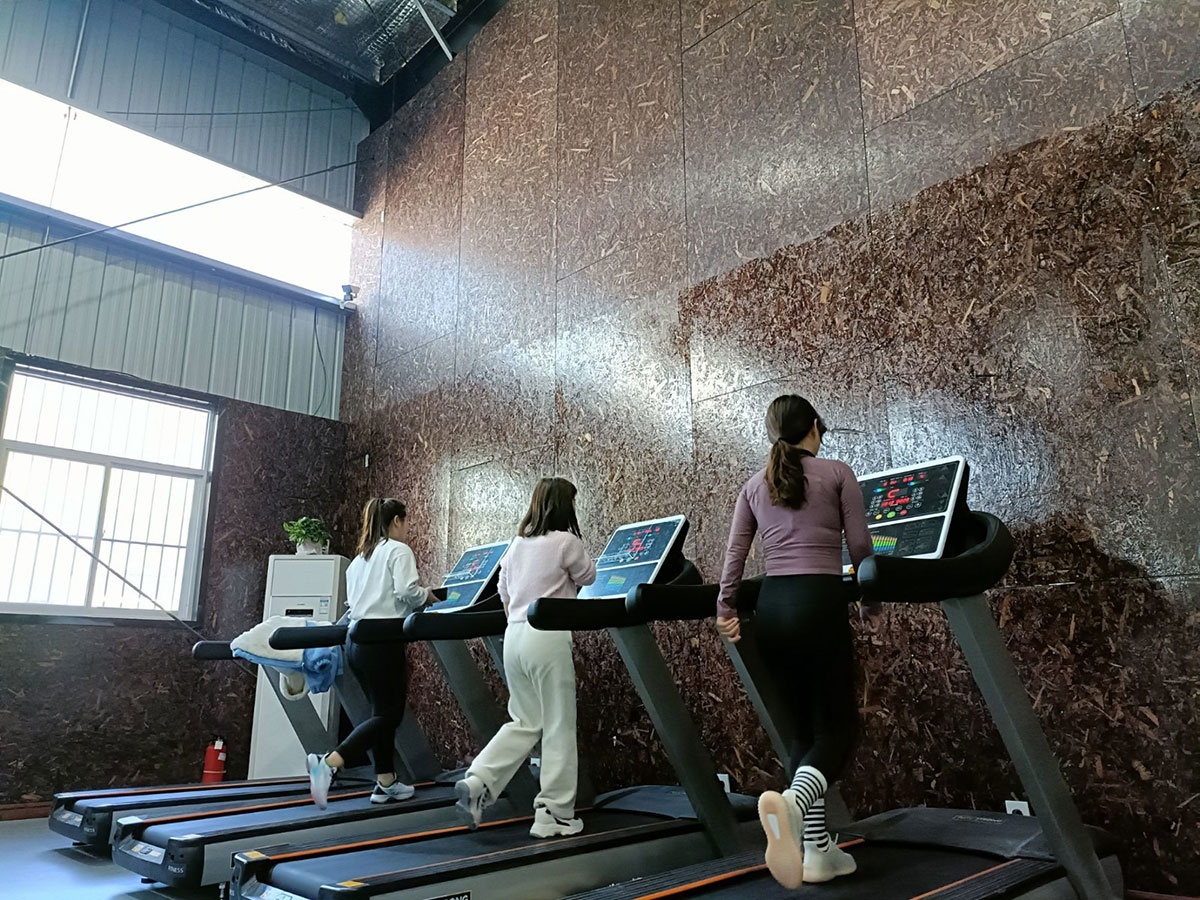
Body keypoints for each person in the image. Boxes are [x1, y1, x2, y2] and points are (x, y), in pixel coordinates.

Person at [715, 395, 878, 888]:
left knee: (801, 736)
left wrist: (725, 609)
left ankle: (817, 851)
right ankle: (792, 805)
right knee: (838, 731)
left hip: (772, 609)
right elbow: (861, 547)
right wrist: (869, 600)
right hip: (818, 603)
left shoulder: (753, 486)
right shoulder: (837, 473)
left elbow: (735, 552)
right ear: (814, 428)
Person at [455, 477, 596, 838]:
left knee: (525, 721)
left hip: (515, 636)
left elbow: (503, 592)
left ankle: (479, 779)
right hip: (547, 634)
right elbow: (589, 576)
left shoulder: (517, 544)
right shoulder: (566, 542)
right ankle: (554, 813)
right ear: (565, 506)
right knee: (558, 724)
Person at [306, 498, 435, 809]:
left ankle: (385, 781)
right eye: (406, 521)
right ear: (396, 521)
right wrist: (428, 596)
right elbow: (407, 591)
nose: (407, 528)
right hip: (383, 640)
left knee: (380, 714)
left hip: (356, 643)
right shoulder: (398, 550)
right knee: (389, 715)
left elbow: (355, 604)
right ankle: (329, 762)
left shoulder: (359, 560)